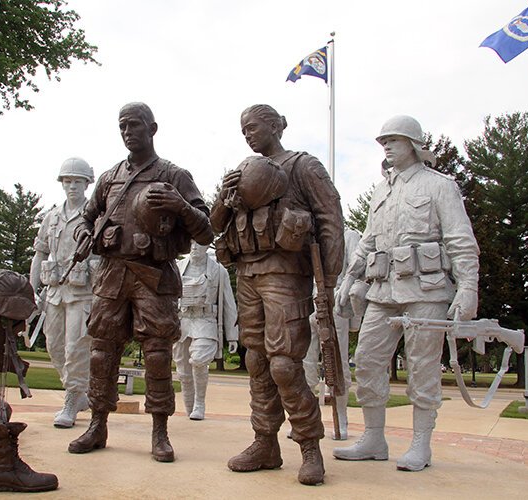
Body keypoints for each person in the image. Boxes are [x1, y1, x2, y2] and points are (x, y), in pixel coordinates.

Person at [68, 102, 213, 463]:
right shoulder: (109, 177)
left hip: (154, 276)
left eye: (135, 125)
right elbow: (86, 219)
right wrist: (86, 235)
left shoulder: (175, 175)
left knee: (158, 354)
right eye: (122, 126)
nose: (128, 132)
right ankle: (97, 424)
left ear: (153, 128)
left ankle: (160, 432)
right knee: (102, 350)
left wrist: (180, 206)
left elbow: (206, 230)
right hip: (112, 276)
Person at [333, 115, 479, 472]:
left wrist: (468, 288)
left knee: (423, 366)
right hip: (383, 292)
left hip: (426, 290)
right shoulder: (381, 191)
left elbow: (460, 240)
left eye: (394, 140)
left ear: (413, 144)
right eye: (383, 141)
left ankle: (420, 445)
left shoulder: (439, 186)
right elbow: (368, 241)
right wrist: (350, 278)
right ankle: (373, 438)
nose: (386, 146)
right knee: (366, 359)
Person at [211, 104, 344, 485]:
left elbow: (331, 219)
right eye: (243, 130)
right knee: (256, 360)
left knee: (284, 364)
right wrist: (226, 195)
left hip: (286, 273)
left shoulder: (303, 166)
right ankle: (264, 442)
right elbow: (213, 225)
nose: (248, 135)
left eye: (253, 127)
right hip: (248, 271)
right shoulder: (239, 172)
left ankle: (309, 446)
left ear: (275, 125)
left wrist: (329, 281)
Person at [30, 157, 97, 428]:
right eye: (67, 181)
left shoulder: (95, 217)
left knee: (76, 347)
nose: (72, 187)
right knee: (54, 346)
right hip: (55, 292)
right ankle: (79, 392)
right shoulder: (52, 217)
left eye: (77, 181)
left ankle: (71, 399)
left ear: (86, 184)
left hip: (82, 293)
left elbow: (104, 256)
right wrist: (32, 289)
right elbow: (40, 254)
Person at [302, 228, 360, 441]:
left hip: (335, 305)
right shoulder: (310, 236)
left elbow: (355, 270)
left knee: (338, 364)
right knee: (306, 364)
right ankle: (307, 421)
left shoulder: (349, 236)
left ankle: (342, 419)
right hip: (309, 306)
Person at [173, 241, 239, 420]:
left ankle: (199, 404)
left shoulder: (219, 271)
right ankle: (189, 405)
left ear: (206, 247)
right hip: (183, 320)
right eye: (192, 244)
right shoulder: (178, 267)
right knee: (183, 371)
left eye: (199, 245)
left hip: (205, 320)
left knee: (200, 359)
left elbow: (229, 304)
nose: (194, 248)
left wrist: (232, 336)